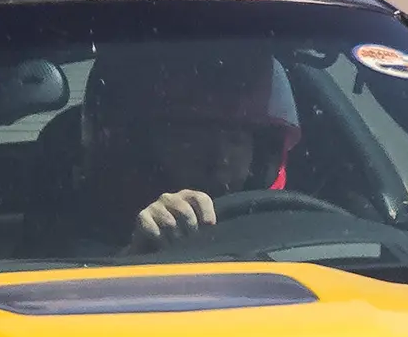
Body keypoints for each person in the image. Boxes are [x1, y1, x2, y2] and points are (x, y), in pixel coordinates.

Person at [58, 41, 303, 254]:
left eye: (236, 139)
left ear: (260, 154)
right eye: (195, 138)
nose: (220, 158)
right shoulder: (89, 227)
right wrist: (137, 253)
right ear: (148, 145)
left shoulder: (294, 227)